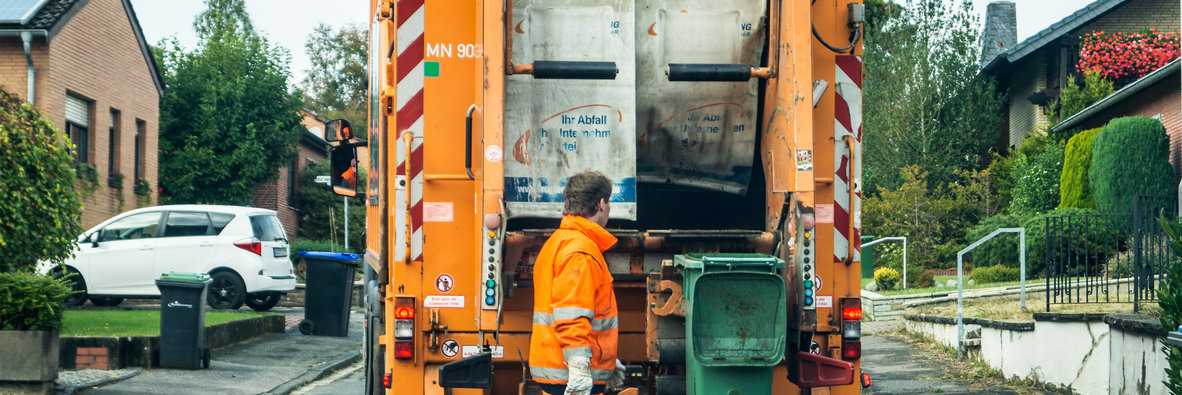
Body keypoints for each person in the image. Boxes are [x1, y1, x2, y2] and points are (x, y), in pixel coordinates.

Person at [529, 171, 626, 395]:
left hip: (558, 367)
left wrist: (604, 357)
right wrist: (580, 369)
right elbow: (571, 316)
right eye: (608, 202)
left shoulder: (558, 242)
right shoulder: (580, 251)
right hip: (569, 374)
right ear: (601, 204)